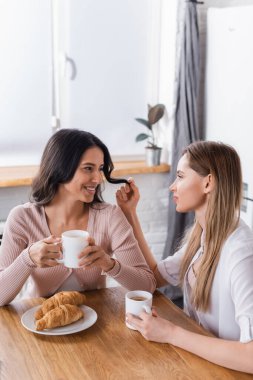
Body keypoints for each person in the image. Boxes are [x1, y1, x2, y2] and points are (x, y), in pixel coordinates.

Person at [116, 140, 253, 374]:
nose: (172, 186)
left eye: (180, 176)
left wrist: (170, 333)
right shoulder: (201, 236)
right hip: (199, 364)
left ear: (208, 182)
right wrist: (130, 213)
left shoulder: (241, 253)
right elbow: (154, 277)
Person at [0, 129, 156, 306]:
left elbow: (147, 286)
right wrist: (27, 258)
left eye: (101, 169)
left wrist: (109, 264)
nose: (98, 179)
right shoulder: (23, 218)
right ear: (60, 167)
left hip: (95, 323)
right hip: (38, 320)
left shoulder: (110, 217)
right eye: (88, 168)